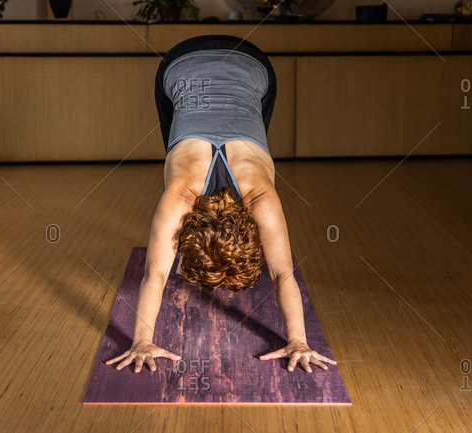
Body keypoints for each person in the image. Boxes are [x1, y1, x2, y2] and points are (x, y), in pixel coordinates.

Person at [106, 35, 336, 374]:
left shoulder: (226, 196)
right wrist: (141, 340)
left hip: (248, 65)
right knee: (200, 132)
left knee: (207, 130)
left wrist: (299, 341)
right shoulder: (194, 196)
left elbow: (281, 271)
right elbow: (280, 271)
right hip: (185, 62)